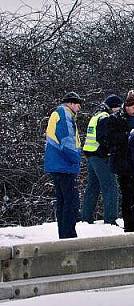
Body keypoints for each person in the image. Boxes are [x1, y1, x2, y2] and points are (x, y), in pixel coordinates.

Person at [44, 92, 84, 239]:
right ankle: (69, 235)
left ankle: (64, 234)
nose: (79, 109)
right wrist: (76, 158)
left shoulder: (56, 113)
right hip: (64, 164)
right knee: (71, 201)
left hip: (56, 164)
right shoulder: (65, 114)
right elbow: (67, 140)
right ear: (72, 103)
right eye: (78, 105)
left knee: (62, 201)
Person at [81, 94, 123, 225]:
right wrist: (111, 151)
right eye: (118, 108)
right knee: (111, 187)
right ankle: (111, 219)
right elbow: (104, 138)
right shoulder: (105, 118)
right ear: (113, 107)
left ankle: (85, 218)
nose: (119, 111)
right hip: (101, 156)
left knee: (93, 187)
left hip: (91, 155)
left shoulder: (96, 116)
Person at [107, 90, 134, 232]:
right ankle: (129, 225)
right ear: (127, 106)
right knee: (128, 196)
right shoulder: (115, 119)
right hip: (124, 163)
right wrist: (129, 136)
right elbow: (109, 139)